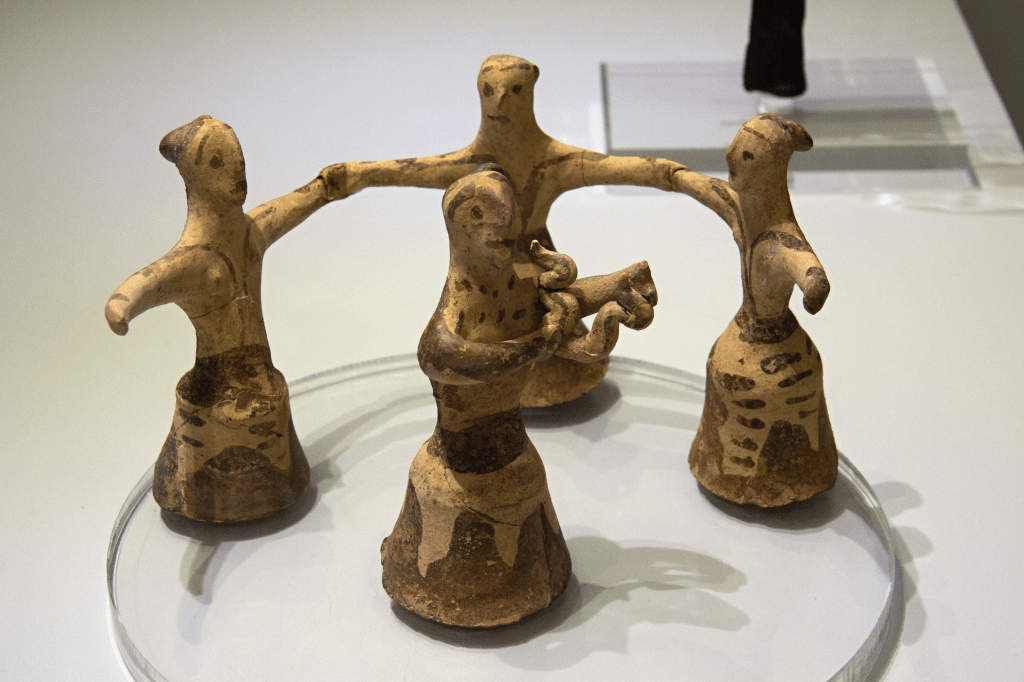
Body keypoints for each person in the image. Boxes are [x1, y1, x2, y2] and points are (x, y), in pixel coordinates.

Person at [320, 54, 731, 406]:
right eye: (489, 90)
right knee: (532, 323)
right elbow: (402, 171)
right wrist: (358, 174)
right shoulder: (471, 164)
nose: (499, 100)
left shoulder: (555, 160)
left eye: (513, 90)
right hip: (496, 276)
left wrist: (685, 178)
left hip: (535, 259)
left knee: (550, 317)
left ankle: (566, 342)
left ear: (530, 88)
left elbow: (639, 169)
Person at [105, 116, 340, 522]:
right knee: (223, 421)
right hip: (213, 392)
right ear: (192, 176)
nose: (235, 170)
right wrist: (122, 307)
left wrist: (333, 184)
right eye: (216, 162)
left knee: (262, 406)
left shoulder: (253, 231)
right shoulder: (193, 261)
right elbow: (148, 281)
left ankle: (260, 489)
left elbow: (314, 194)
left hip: (260, 382)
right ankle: (202, 495)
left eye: (238, 159)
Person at [689, 113, 837, 507]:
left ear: (771, 168)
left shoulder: (781, 237)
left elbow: (807, 266)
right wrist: (665, 175)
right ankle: (741, 475)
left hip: (771, 348)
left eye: (748, 155)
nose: (732, 158)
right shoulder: (740, 207)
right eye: (737, 149)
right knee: (725, 367)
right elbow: (693, 182)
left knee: (739, 376)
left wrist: (814, 285)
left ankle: (762, 478)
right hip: (754, 338)